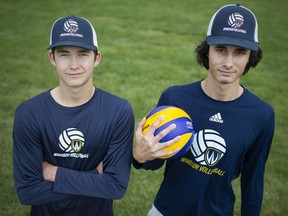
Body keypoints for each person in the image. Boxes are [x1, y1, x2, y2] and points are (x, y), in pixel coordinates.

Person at [133, 4, 274, 216]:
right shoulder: (175, 98)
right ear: (207, 51)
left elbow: (253, 182)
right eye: (221, 50)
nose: (228, 62)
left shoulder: (261, 115)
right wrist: (140, 155)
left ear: (250, 57)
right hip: (165, 211)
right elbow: (153, 162)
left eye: (239, 52)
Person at [13, 16, 135, 216]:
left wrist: (53, 173)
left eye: (83, 54)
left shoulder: (118, 111)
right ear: (52, 58)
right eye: (64, 54)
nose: (74, 64)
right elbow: (28, 192)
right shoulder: (29, 113)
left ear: (96, 58)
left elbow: (115, 187)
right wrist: (95, 178)